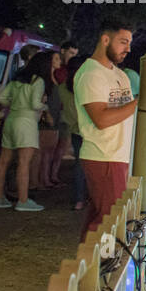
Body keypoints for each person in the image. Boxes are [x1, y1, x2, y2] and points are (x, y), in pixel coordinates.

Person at [75, 19, 137, 235]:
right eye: (123, 42)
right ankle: (100, 264)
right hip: (103, 154)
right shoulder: (90, 74)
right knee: (110, 218)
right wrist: (140, 101)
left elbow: (127, 111)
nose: (128, 49)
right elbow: (100, 120)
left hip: (117, 154)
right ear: (105, 39)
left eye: (129, 43)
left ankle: (90, 264)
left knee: (102, 215)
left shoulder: (119, 74)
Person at [0, 50, 53, 212]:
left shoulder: (17, 79)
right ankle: (23, 200)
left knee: (3, 161)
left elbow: (0, 98)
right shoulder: (38, 81)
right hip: (27, 122)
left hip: (11, 119)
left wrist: (15, 102)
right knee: (24, 163)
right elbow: (35, 104)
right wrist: (46, 107)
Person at [60, 55, 88, 210]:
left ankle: (78, 199)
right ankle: (89, 196)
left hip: (74, 129)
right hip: (89, 129)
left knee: (79, 163)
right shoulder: (85, 85)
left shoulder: (63, 87)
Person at [35, 50, 65, 189]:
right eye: (57, 58)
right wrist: (46, 114)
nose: (60, 61)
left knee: (49, 150)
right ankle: (42, 179)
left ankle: (44, 178)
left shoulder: (52, 79)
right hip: (47, 119)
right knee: (44, 151)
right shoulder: (44, 81)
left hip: (54, 117)